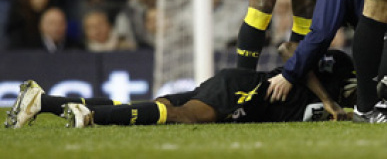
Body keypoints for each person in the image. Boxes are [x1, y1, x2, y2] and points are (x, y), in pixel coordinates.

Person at [5, 49, 356, 129]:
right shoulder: (332, 73)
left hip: (242, 101)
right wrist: (328, 100)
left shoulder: (353, 112)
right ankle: (89, 115)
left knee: (146, 106)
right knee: (185, 117)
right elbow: (290, 51)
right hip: (245, 89)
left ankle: (42, 101)